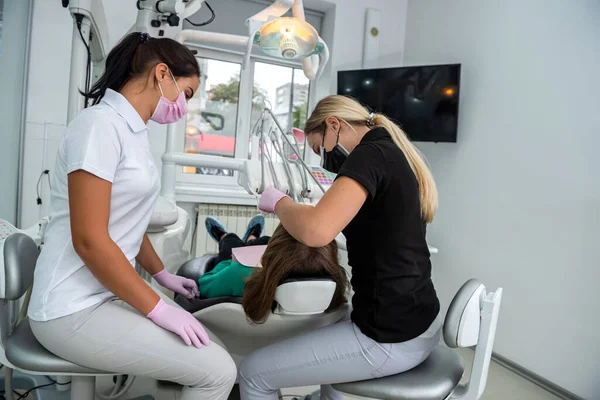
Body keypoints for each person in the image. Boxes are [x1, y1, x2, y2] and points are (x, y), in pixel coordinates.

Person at [27, 32, 236, 400]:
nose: (183, 107)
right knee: (217, 372)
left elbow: (126, 219)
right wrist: (157, 307)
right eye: (185, 94)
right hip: (69, 307)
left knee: (216, 346)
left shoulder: (134, 131)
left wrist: (162, 275)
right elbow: (91, 240)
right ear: (161, 74)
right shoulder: (99, 127)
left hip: (101, 295)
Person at [238, 95, 443, 400]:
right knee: (329, 346)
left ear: (333, 125)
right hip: (417, 322)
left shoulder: (369, 154)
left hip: (388, 337)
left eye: (321, 149)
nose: (324, 159)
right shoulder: (391, 151)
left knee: (253, 373)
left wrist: (279, 202)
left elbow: (317, 230)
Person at [184, 215, 347, 324]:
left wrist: (229, 263)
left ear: (275, 250)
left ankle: (225, 237)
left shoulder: (239, 273)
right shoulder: (334, 290)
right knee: (263, 241)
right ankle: (253, 238)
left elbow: (203, 286)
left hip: (234, 268)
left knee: (231, 246)